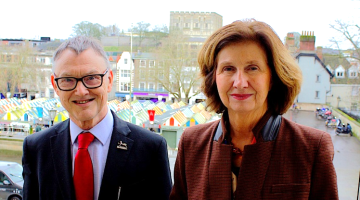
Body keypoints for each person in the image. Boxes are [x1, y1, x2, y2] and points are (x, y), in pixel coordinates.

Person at [170, 19, 338, 200]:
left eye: (252, 68)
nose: (240, 82)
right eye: (228, 68)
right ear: (214, 78)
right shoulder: (192, 143)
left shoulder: (311, 147)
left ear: (273, 77)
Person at [22, 36, 172, 200]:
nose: (81, 91)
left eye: (91, 78)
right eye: (67, 80)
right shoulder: (36, 149)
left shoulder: (149, 149)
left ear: (109, 81)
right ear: (55, 85)